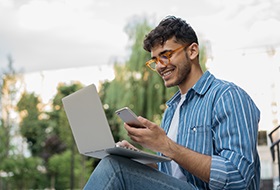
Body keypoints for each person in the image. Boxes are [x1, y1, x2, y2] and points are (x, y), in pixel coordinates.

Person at [84, 16, 260, 190]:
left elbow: (238, 177)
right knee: (116, 161)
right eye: (155, 60)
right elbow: (171, 175)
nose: (160, 66)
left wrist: (166, 145)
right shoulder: (171, 111)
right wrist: (137, 159)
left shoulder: (226, 96)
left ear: (192, 51)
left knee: (114, 168)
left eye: (165, 55)